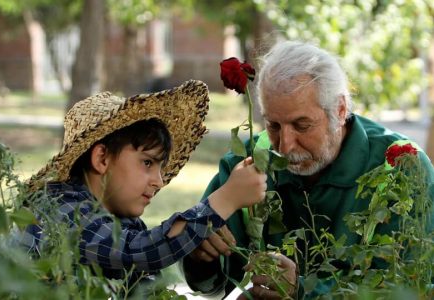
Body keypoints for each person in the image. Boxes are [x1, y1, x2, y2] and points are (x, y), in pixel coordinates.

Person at [181, 41, 434, 298]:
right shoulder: (248, 161)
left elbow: (408, 289)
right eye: (274, 126)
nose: (285, 146)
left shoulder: (401, 165)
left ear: (340, 109)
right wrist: (200, 258)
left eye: (302, 126)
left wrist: (303, 292)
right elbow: (212, 286)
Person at [17, 80, 267, 294]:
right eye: (147, 163)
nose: (158, 181)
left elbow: (146, 282)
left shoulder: (121, 222)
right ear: (101, 159)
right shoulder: (59, 210)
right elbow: (139, 252)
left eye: (160, 168)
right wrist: (226, 199)